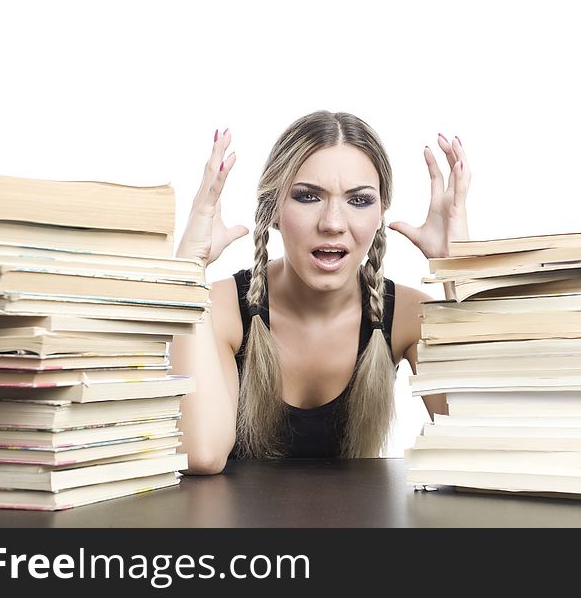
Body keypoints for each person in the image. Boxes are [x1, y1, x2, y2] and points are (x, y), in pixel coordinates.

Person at [170, 110, 471, 474]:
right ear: (273, 211)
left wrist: (460, 270)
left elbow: (476, 444)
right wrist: (189, 266)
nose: (332, 223)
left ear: (380, 216)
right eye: (308, 196)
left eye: (358, 200)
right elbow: (201, 455)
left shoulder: (410, 314)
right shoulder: (220, 308)